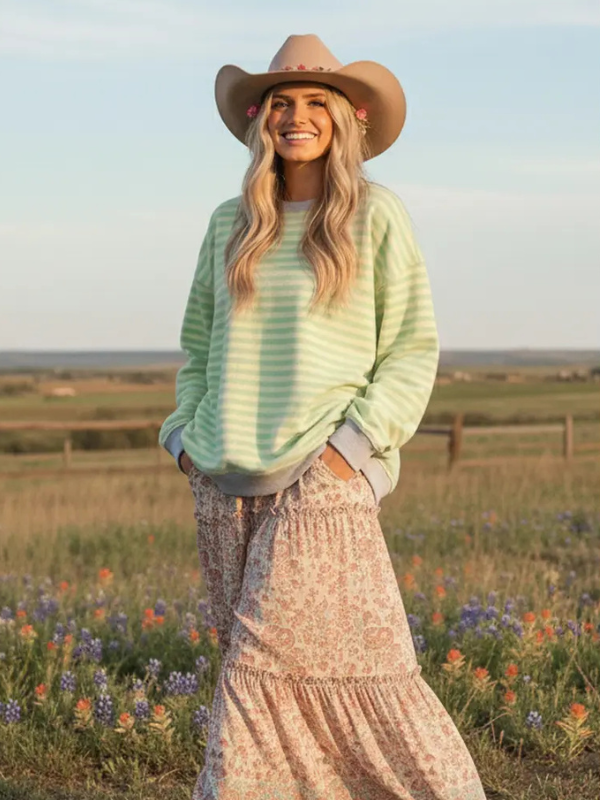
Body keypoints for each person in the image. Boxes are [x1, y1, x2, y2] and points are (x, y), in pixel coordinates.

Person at [159, 33, 487, 800]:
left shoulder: (376, 215)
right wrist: (182, 440)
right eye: (281, 102)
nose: (295, 116)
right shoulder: (228, 223)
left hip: (322, 480)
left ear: (346, 118)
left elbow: (411, 347)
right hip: (223, 486)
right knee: (263, 683)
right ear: (259, 119)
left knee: (295, 675)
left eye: (314, 102)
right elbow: (198, 348)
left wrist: (351, 453)